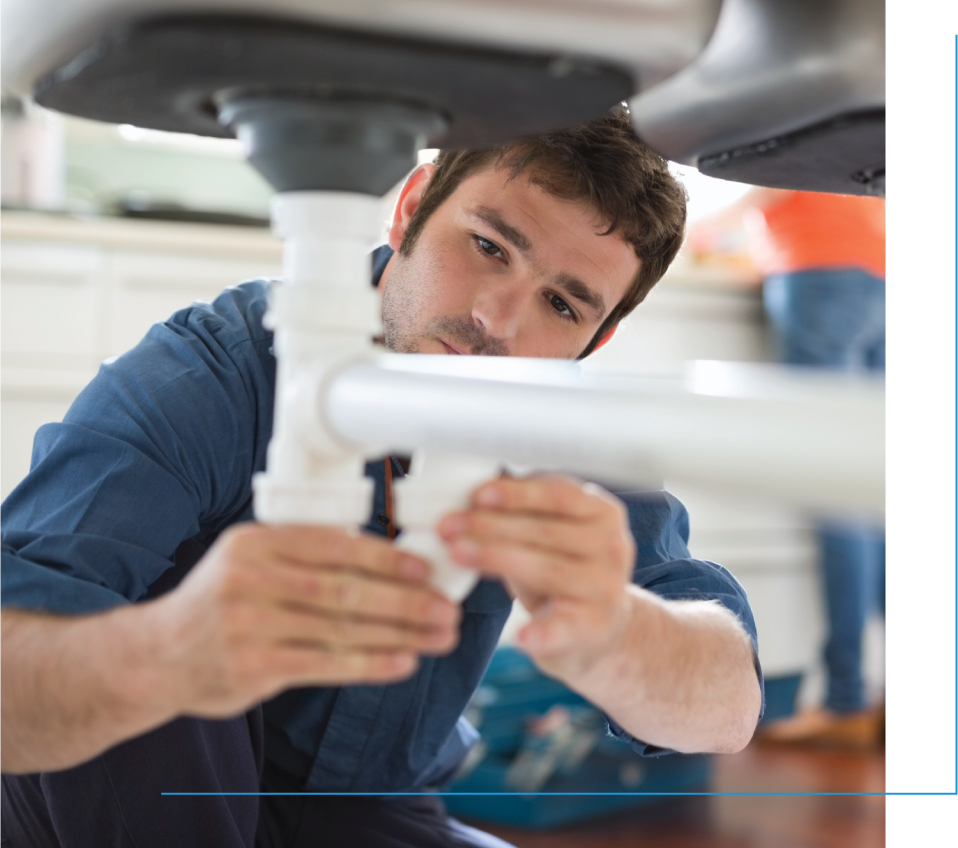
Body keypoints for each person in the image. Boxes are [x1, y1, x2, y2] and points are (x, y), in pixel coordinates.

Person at [0, 111, 764, 848]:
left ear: (598, 338)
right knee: (141, 596)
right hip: (129, 782)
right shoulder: (213, 374)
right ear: (409, 209)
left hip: (363, 809)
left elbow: (729, 711)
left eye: (561, 304)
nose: (497, 321)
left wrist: (616, 627)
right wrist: (167, 653)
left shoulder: (560, 425)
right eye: (490, 247)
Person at [690, 186, 886, 749]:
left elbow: (770, 177)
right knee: (867, 493)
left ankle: (847, 699)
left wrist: (700, 227)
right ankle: (861, 691)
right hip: (874, 267)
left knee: (837, 492)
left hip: (821, 268)